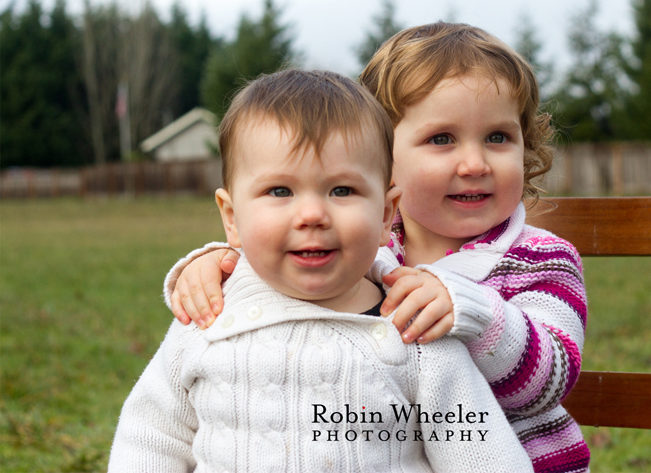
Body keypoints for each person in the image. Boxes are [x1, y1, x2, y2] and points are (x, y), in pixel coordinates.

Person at [166, 23, 590, 473]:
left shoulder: (540, 258)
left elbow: (551, 382)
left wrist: (474, 311)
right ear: (381, 157)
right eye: (442, 139)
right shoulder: (364, 243)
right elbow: (288, 270)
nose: (475, 163)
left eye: (498, 137)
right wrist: (222, 263)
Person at [108, 70, 533, 472]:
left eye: (341, 190)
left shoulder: (415, 332)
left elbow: (484, 456)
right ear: (232, 218)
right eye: (280, 190)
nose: (312, 214)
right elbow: (150, 438)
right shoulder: (211, 318)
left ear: (386, 213)